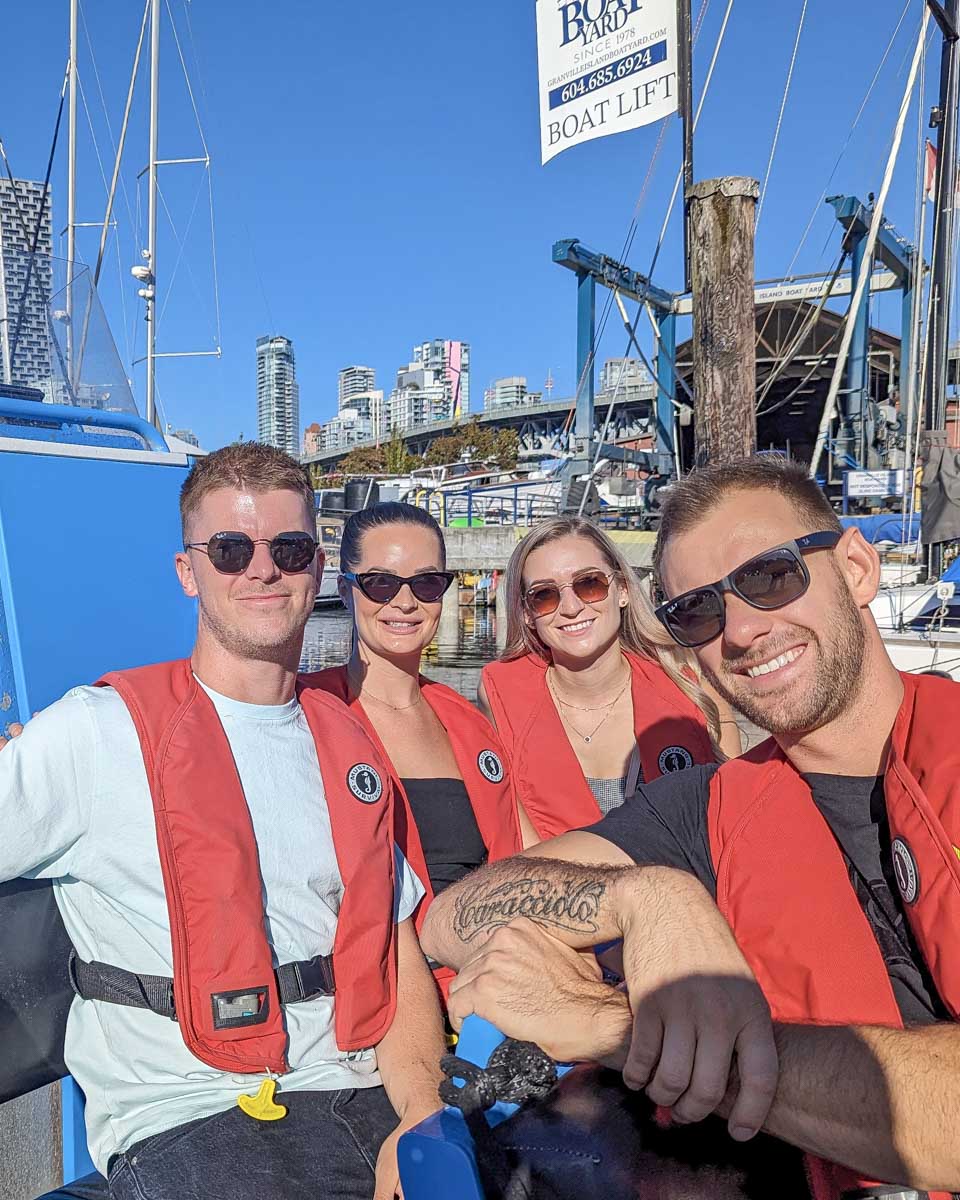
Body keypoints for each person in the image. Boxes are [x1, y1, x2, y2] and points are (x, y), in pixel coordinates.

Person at [422, 454, 960, 1198]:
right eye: (699, 611)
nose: (740, 630)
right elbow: (451, 918)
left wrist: (610, 1023)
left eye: (770, 577)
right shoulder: (707, 806)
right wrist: (645, 899)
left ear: (859, 568)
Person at [0, 444, 444, 1200]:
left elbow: (393, 961)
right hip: (194, 1117)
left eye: (290, 548)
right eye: (232, 549)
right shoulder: (94, 735)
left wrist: (422, 1115)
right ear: (188, 571)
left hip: (368, 1100)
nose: (263, 570)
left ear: (317, 566)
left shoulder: (349, 742)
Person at [306, 501, 524, 994]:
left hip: (490, 975)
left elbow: (525, 849)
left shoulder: (466, 720)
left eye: (426, 584)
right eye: (381, 583)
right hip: (377, 989)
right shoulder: (307, 713)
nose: (405, 602)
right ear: (346, 590)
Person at [478, 515, 741, 839]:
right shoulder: (499, 695)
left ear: (623, 590)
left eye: (589, 584)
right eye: (544, 595)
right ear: (527, 615)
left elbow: (733, 827)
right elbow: (513, 836)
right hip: (554, 885)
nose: (570, 607)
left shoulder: (693, 684)